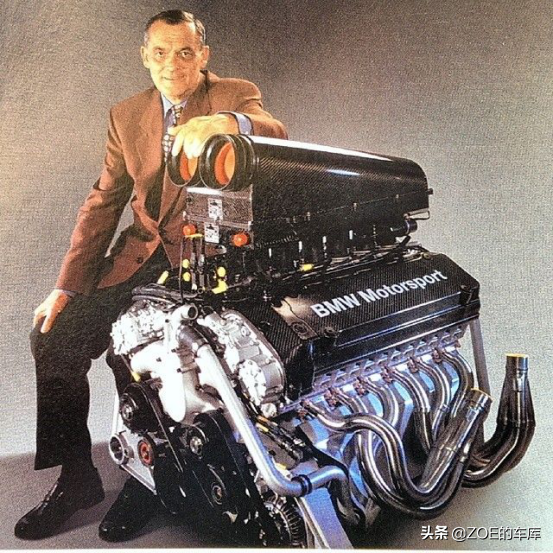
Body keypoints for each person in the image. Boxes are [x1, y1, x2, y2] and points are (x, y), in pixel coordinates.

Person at [14, 9, 287, 543]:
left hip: (205, 260)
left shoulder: (234, 93)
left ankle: (151, 480)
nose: (172, 64)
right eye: (160, 52)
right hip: (138, 257)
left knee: (136, 357)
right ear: (145, 56)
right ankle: (77, 477)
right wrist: (66, 285)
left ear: (202, 56)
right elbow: (103, 202)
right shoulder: (126, 114)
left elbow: (272, 129)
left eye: (184, 52)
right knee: (53, 338)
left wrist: (226, 124)